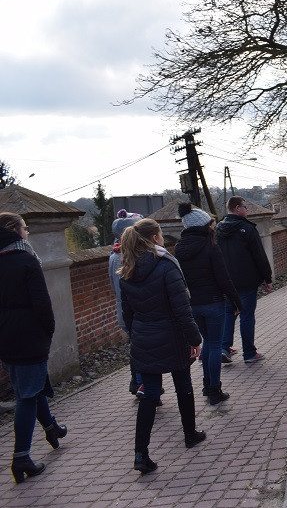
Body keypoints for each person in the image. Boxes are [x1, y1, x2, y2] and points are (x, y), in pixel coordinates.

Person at [118, 218, 206, 474]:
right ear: (155, 238)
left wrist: (138, 335)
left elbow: (127, 314)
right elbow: (182, 309)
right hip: (173, 335)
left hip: (144, 337)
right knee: (183, 385)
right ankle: (190, 434)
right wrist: (195, 339)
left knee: (150, 395)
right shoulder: (167, 266)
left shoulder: (127, 270)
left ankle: (140, 454)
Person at [0, 213, 67, 483]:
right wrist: (48, 331)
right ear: (15, 230)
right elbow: (42, 303)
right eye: (25, 228)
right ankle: (21, 457)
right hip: (29, 335)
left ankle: (51, 428)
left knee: (31, 386)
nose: (27, 232)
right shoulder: (26, 259)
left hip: (5, 337)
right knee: (27, 396)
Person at [175, 203, 242, 405]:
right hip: (213, 302)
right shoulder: (210, 246)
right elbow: (223, 278)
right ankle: (214, 389)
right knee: (214, 345)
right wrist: (236, 301)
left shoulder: (179, 248)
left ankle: (207, 385)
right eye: (210, 223)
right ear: (204, 225)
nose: (213, 226)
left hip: (193, 304)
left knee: (207, 343)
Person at [216, 196, 273, 364]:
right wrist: (267, 278)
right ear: (237, 208)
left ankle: (224, 348)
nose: (247, 210)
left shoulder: (218, 229)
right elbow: (259, 255)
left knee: (228, 313)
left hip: (226, 281)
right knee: (246, 315)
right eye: (245, 207)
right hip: (247, 279)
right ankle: (249, 352)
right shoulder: (247, 229)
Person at [109, 209, 144, 397]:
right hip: (133, 311)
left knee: (136, 347)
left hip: (123, 310)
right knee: (141, 350)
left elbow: (113, 287)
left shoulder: (113, 255)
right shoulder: (128, 256)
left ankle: (136, 382)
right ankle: (141, 383)